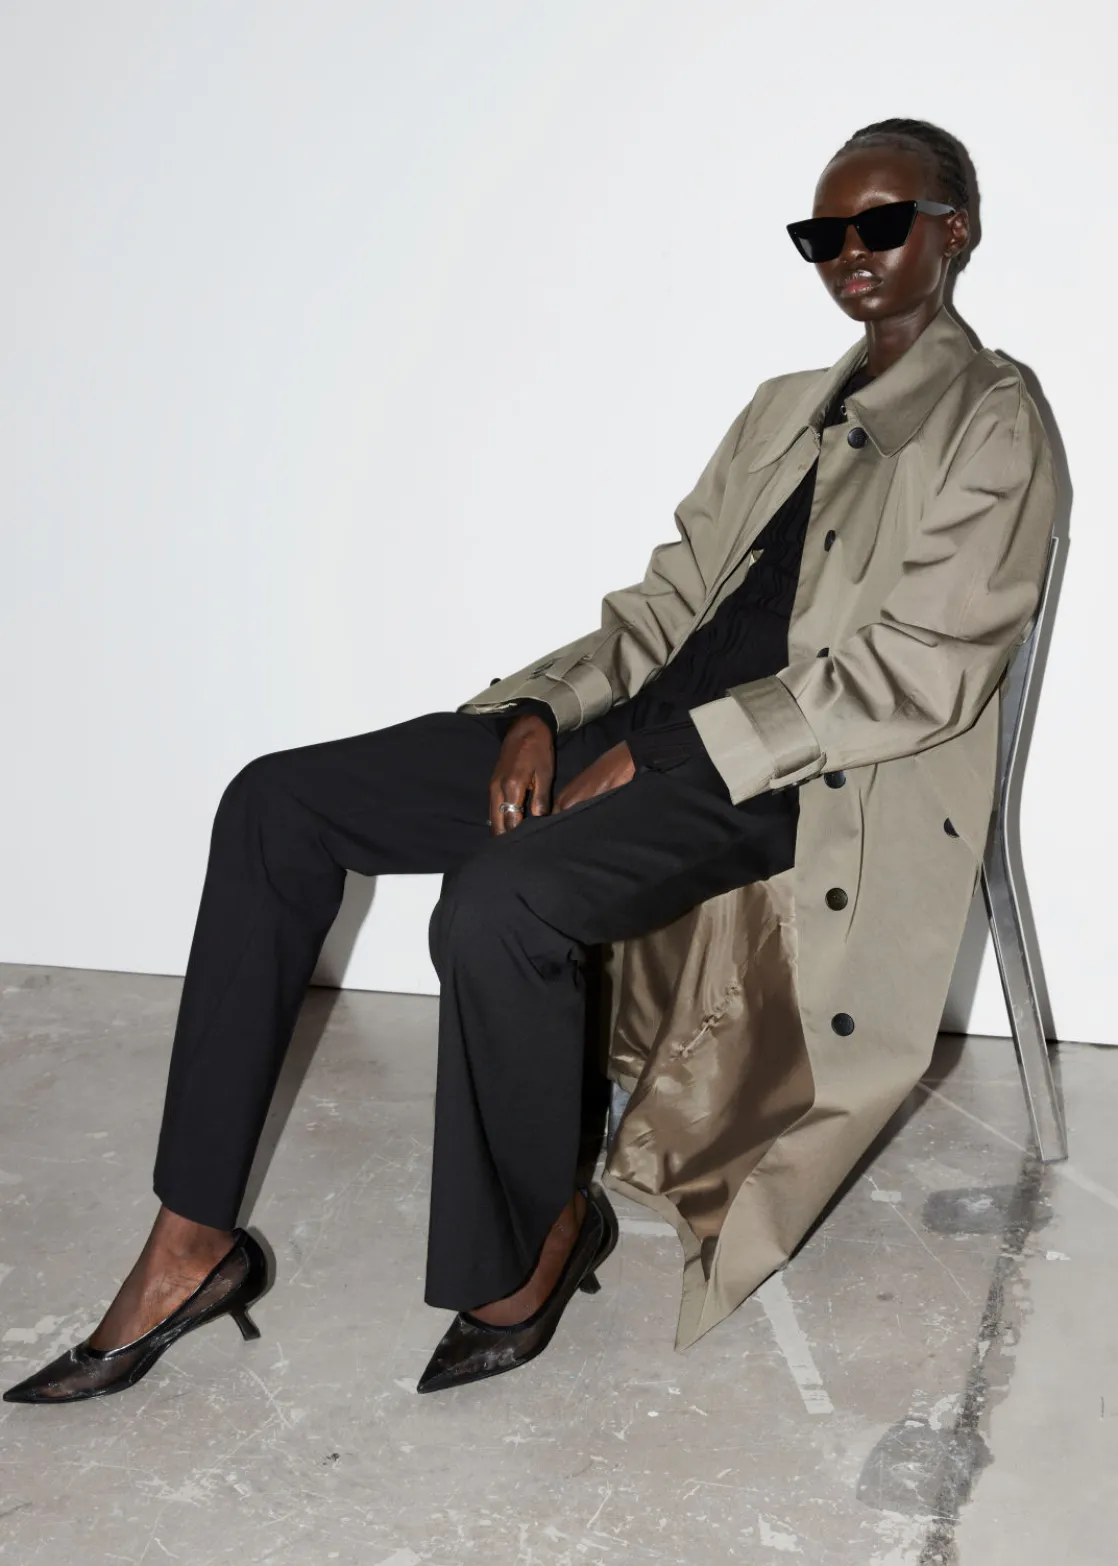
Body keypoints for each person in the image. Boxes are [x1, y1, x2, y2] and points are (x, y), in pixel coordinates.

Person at [4, 117, 1055, 1405]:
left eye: (880, 223)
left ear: (955, 230)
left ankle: (533, 1244)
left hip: (787, 779)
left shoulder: (994, 421)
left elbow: (920, 669)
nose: (850, 252)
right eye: (823, 234)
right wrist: (544, 712)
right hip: (646, 729)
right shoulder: (783, 411)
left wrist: (673, 748)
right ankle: (191, 1240)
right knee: (276, 803)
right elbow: (663, 607)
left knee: (498, 901)